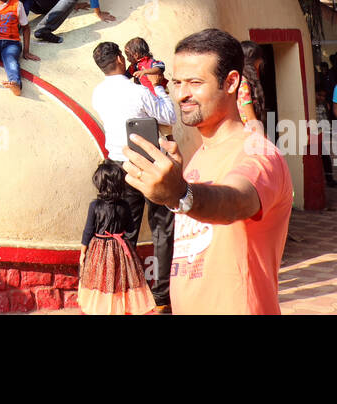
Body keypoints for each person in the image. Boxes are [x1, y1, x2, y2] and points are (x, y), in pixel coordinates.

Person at [124, 28, 293, 315]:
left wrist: (180, 194)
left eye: (195, 82)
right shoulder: (198, 157)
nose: (181, 94)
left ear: (230, 83)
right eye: (177, 82)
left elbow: (236, 200)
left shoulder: (259, 152)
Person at [89, 41, 176, 310]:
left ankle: (124, 291)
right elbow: (169, 116)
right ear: (118, 58)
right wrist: (158, 86)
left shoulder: (97, 94)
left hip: (118, 165)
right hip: (149, 165)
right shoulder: (138, 92)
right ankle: (161, 296)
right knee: (162, 228)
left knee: (125, 231)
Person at [77, 160, 154, 315]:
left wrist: (83, 252)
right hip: (119, 247)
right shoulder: (124, 205)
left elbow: (88, 231)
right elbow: (130, 228)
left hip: (98, 249)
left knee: (100, 279)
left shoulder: (95, 206)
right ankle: (118, 307)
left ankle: (101, 308)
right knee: (119, 279)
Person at [239, 41, 268, 134]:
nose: (261, 61)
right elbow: (251, 118)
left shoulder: (244, 79)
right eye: (259, 58)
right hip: (248, 133)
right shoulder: (243, 81)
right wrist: (262, 137)